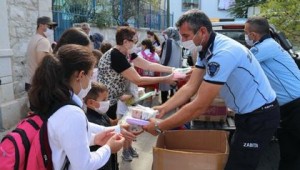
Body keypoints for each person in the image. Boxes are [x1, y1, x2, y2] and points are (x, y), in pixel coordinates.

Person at [143, 9, 280, 170]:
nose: (182, 40)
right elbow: (190, 87)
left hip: (260, 116)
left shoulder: (223, 53)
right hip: (247, 114)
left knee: (240, 165)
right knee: (236, 160)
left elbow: (200, 105)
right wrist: (163, 108)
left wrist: (160, 126)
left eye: (186, 36)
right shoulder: (206, 48)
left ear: (202, 31)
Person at [28, 44, 126, 169]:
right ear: (80, 75)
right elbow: (84, 165)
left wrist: (97, 138)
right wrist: (108, 148)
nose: (91, 82)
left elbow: (68, 137)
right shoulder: (71, 113)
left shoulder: (54, 99)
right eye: (90, 76)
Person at [245, 16, 300, 170]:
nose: (246, 36)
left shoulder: (265, 47)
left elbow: (239, 62)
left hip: (296, 105)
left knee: (292, 152)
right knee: (289, 154)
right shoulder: (269, 46)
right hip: (287, 108)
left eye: (246, 32)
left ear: (254, 35)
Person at [97, 26, 177, 121]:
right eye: (134, 41)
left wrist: (173, 69)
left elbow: (148, 65)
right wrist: (165, 79)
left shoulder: (126, 53)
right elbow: (138, 79)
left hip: (114, 100)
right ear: (125, 42)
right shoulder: (116, 56)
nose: (136, 44)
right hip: (106, 102)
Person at [84, 82, 136, 169]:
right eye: (104, 100)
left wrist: (127, 119)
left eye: (107, 99)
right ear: (90, 102)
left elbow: (112, 123)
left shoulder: (100, 112)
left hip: (111, 160)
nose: (107, 102)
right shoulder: (89, 120)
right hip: (101, 163)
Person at [25, 16, 57, 91]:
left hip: (31, 82)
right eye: (49, 26)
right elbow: (42, 63)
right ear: (41, 25)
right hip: (40, 84)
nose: (52, 29)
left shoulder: (34, 39)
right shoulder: (43, 41)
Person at [160, 27, 183, 103]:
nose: (165, 35)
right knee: (172, 85)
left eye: (166, 33)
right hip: (175, 67)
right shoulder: (179, 43)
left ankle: (164, 103)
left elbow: (167, 55)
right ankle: (172, 102)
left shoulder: (169, 41)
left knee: (164, 85)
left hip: (167, 67)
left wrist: (163, 66)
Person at [136, 39, 160, 107]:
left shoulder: (140, 54)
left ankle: (138, 109)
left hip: (141, 78)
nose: (141, 47)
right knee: (148, 97)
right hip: (151, 79)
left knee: (140, 95)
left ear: (145, 45)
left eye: (142, 45)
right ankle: (146, 110)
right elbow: (158, 63)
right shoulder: (155, 54)